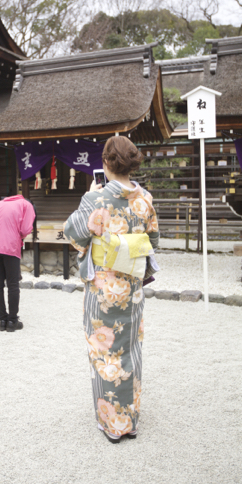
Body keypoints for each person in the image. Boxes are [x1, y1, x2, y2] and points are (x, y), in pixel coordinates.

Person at [64, 136, 159, 443]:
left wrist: (87, 198)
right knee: (131, 351)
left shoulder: (96, 199)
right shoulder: (145, 199)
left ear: (105, 163)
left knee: (104, 354)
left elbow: (73, 234)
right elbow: (153, 243)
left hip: (103, 291)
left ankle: (112, 424)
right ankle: (130, 421)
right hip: (131, 290)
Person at [0, 195, 35, 332]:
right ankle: (13, 321)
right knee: (12, 284)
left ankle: (2, 320)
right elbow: (25, 229)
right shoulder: (27, 205)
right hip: (9, 245)